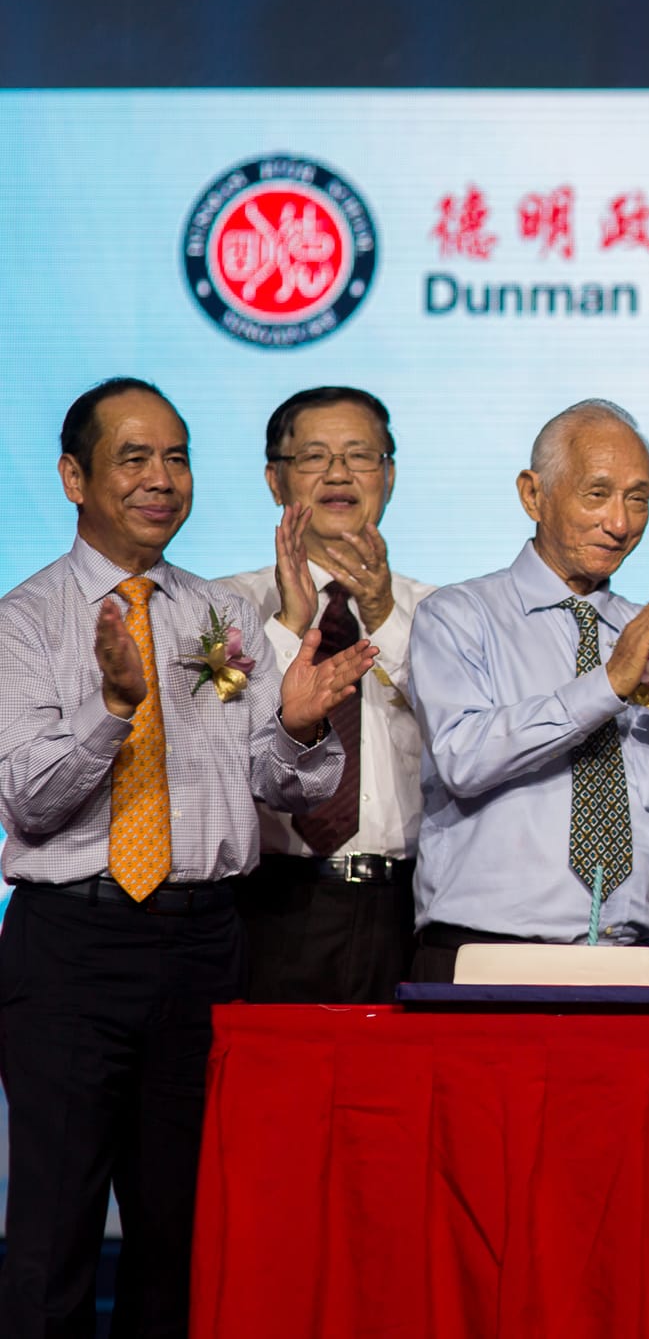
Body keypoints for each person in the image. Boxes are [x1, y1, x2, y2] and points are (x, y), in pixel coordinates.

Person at [0, 377, 370, 1337]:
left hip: (205, 943)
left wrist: (294, 722)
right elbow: (32, 800)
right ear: (74, 476)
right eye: (134, 458)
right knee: (52, 1235)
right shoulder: (25, 621)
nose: (161, 479)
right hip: (71, 948)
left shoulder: (220, 618)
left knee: (180, 1235)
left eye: (176, 457)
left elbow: (279, 781)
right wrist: (115, 708)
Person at [408, 399, 649, 981]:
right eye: (597, 494)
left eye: (637, 499)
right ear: (532, 495)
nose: (620, 522)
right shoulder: (458, 615)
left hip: (631, 962)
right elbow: (464, 758)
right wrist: (609, 684)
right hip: (490, 957)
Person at [216, 386, 434, 1002]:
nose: (339, 473)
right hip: (264, 903)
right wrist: (287, 626)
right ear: (273, 478)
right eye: (313, 456)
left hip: (402, 909)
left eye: (361, 455)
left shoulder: (444, 614)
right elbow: (213, 735)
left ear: (388, 475)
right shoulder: (221, 604)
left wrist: (384, 617)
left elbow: (463, 737)